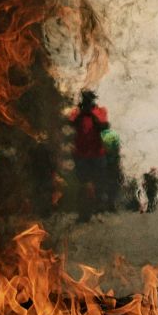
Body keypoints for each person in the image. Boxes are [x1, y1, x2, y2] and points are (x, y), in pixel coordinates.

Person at [68, 91, 109, 222]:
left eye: (89, 100)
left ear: (93, 100)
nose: (87, 102)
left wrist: (90, 113)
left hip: (98, 153)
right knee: (83, 183)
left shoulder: (100, 111)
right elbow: (70, 123)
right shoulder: (76, 113)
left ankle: (98, 211)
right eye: (85, 100)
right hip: (81, 154)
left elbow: (104, 126)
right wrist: (82, 113)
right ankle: (83, 214)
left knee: (98, 183)